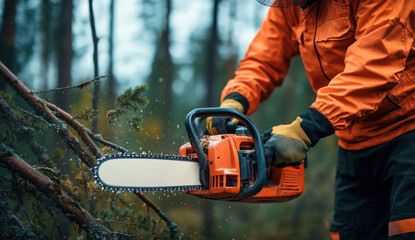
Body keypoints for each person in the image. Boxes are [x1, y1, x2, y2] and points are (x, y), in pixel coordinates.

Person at [206, 0, 415, 239]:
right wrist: (235, 100)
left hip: (408, 129)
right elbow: (264, 57)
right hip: (354, 141)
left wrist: (306, 128)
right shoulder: (291, 5)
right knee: (350, 233)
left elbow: (375, 65)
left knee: (407, 231)